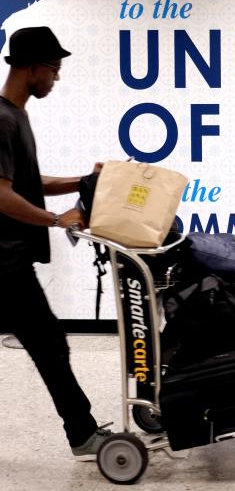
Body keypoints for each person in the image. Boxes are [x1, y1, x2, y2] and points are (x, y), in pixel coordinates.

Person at [0, 26, 113, 460]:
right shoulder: (1, 119)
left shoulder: (16, 115)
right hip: (5, 262)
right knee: (49, 343)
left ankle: (81, 431)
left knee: (47, 343)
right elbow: (0, 195)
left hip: (10, 260)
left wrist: (83, 181)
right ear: (32, 69)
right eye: (54, 69)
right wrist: (55, 219)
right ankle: (82, 434)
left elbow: (28, 183)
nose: (57, 78)